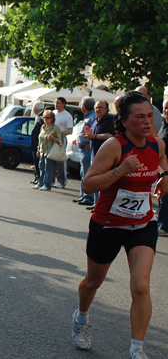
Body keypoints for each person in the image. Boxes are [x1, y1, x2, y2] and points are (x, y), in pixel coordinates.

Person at [72, 91, 168, 359]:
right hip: (108, 224)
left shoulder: (156, 144)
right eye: (140, 117)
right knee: (93, 282)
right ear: (125, 121)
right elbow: (88, 184)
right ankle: (81, 318)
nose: (148, 122)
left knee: (140, 286)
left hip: (142, 223)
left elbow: (161, 161)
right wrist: (120, 170)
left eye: (150, 115)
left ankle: (137, 349)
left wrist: (164, 175)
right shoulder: (114, 146)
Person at [82, 100, 115, 209]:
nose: (98, 109)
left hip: (104, 157)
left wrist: (94, 137)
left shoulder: (109, 119)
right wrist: (89, 140)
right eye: (96, 107)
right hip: (94, 155)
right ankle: (96, 204)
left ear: (106, 109)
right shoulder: (96, 120)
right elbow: (95, 135)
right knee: (95, 181)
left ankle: (100, 205)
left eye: (101, 107)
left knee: (101, 182)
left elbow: (110, 136)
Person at [74, 97, 96, 206]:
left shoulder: (91, 118)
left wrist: (89, 141)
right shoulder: (89, 117)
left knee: (87, 174)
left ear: (84, 107)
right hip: (84, 148)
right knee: (83, 173)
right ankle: (84, 195)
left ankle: (88, 197)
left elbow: (92, 132)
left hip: (87, 149)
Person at [33, 109, 62, 191]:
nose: (45, 119)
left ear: (52, 118)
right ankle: (40, 183)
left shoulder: (55, 128)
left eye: (47, 117)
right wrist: (38, 150)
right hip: (42, 150)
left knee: (48, 168)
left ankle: (47, 184)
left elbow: (60, 141)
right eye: (44, 117)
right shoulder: (43, 127)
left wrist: (53, 138)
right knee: (41, 167)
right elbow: (40, 139)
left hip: (50, 151)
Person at [53, 97, 73, 188]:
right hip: (51, 139)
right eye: (55, 102)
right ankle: (49, 179)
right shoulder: (53, 113)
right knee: (50, 159)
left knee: (60, 160)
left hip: (61, 139)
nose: (56, 104)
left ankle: (61, 181)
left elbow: (70, 130)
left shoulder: (67, 116)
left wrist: (59, 133)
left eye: (58, 102)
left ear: (63, 104)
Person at [156, 99, 168, 236]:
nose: (166, 111)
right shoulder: (164, 125)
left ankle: (164, 226)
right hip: (162, 169)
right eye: (165, 108)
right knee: (162, 197)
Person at [29, 101, 45, 184]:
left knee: (37, 161)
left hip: (38, 143)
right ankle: (36, 177)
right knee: (36, 161)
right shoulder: (39, 116)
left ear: (35, 108)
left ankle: (38, 177)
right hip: (36, 142)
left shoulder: (41, 117)